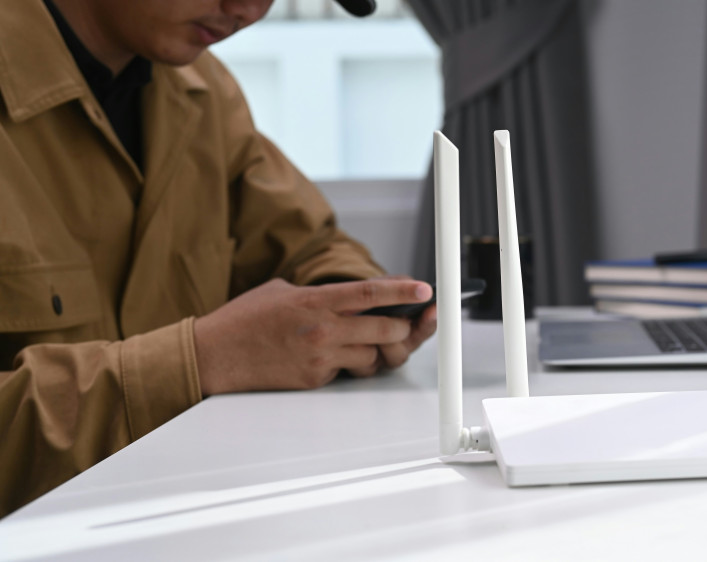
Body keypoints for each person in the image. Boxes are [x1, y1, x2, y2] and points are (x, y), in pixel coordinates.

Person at [0, 0, 437, 516]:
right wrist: (200, 360)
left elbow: (308, 246)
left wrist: (345, 314)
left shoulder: (203, 89)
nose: (247, 10)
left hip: (188, 513)